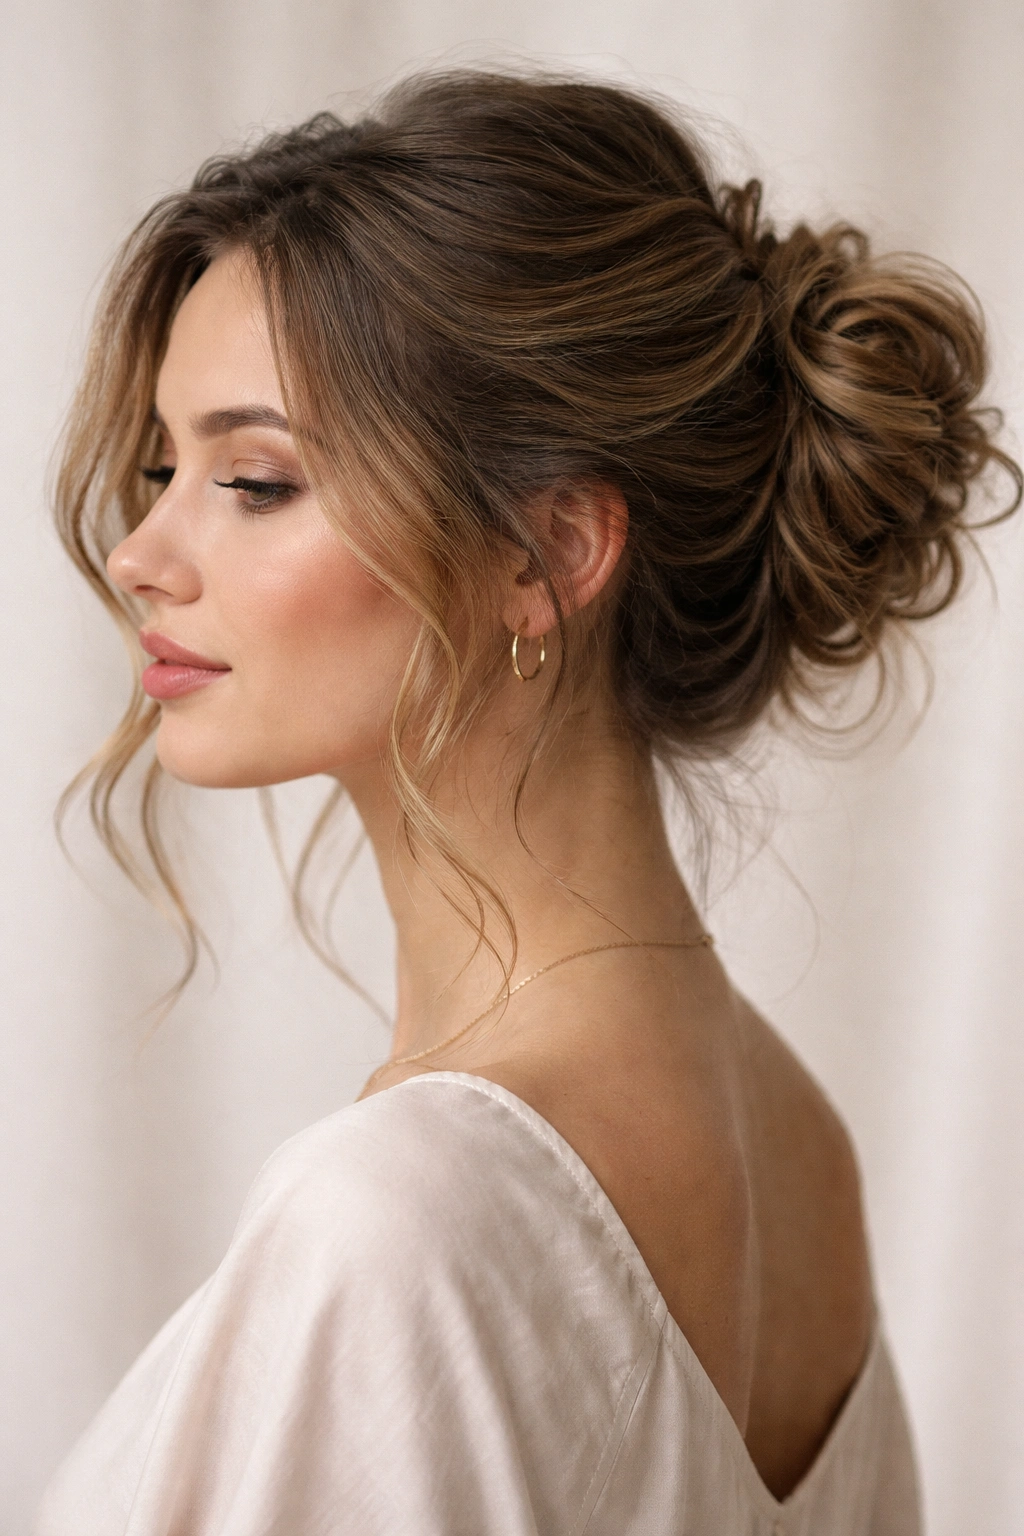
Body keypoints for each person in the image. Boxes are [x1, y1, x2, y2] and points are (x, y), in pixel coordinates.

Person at [36, 69, 1019, 1536]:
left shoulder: (395, 1221)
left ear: (544, 554)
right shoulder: (794, 1138)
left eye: (251, 478)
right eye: (164, 466)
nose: (140, 552)